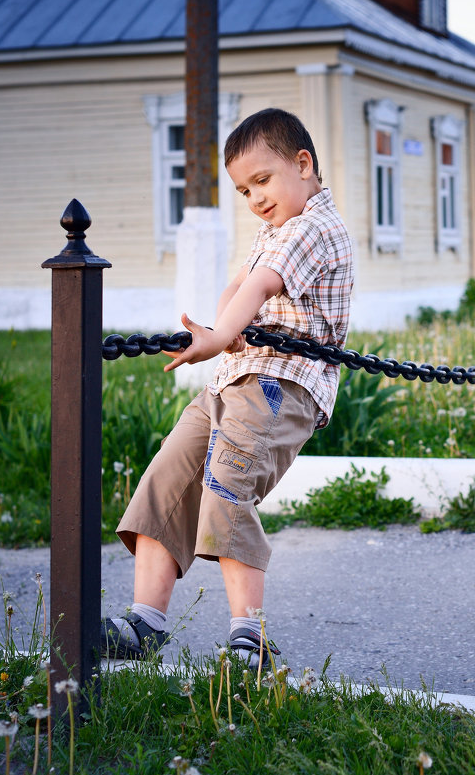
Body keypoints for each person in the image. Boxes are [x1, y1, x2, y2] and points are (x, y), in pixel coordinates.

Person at [101, 108, 355, 666]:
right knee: (166, 482)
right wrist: (224, 332)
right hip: (235, 378)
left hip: (279, 384)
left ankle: (250, 635)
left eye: (262, 181)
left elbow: (262, 283)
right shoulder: (275, 230)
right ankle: (145, 623)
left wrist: (219, 337)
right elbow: (241, 283)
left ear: (303, 164)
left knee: (226, 486)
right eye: (244, 190)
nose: (255, 198)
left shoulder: (314, 226)